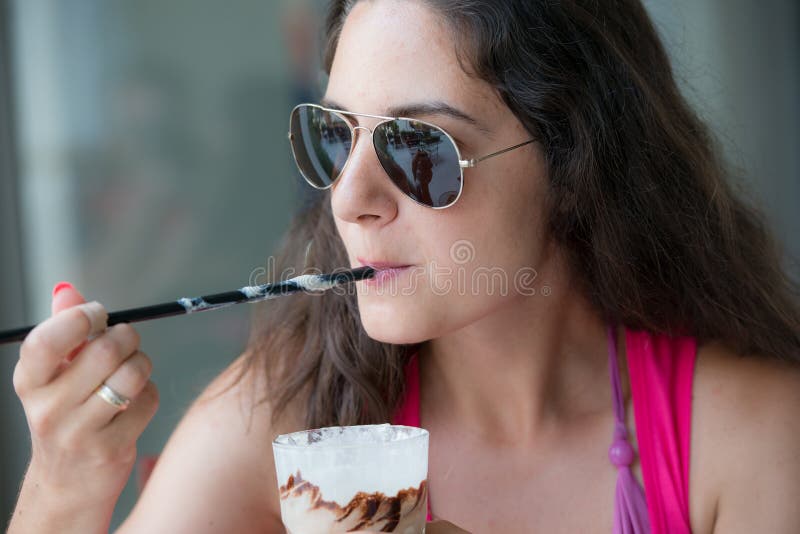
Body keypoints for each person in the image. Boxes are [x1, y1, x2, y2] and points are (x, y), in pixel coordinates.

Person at [8, 1, 800, 532]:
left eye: (418, 147)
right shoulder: (285, 417)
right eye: (335, 134)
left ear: (572, 164)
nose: (349, 199)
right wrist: (63, 489)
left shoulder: (752, 437)